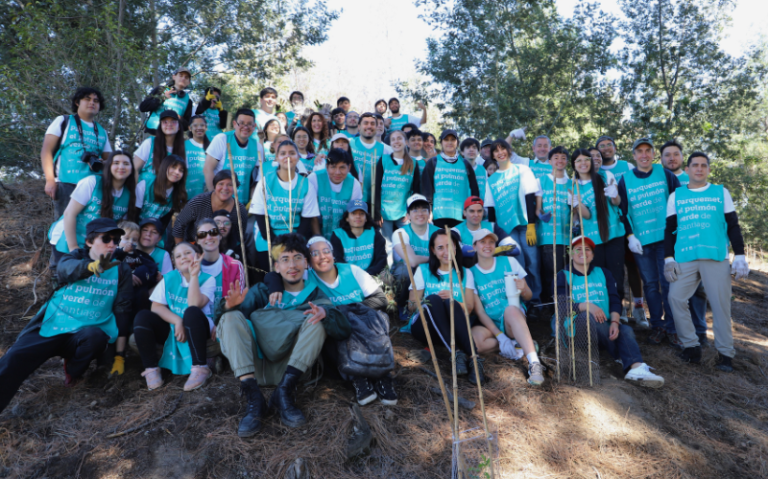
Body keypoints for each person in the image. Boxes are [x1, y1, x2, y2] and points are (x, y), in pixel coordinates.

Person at [217, 233, 349, 435]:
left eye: (297, 258)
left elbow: (342, 328)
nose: (292, 265)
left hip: (293, 367)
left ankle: (284, 392)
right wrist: (227, 307)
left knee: (317, 318)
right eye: (285, 260)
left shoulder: (315, 294)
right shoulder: (262, 291)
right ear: (276, 267)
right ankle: (254, 397)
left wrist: (326, 314)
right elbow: (228, 328)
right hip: (256, 366)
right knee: (231, 318)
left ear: (306, 263)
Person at [0, 218, 132, 413]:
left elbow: (123, 309)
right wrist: (91, 267)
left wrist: (119, 356)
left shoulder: (121, 269)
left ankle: (72, 372)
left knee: (95, 338)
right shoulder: (74, 258)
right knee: (13, 359)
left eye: (116, 240)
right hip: (53, 325)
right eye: (106, 239)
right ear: (89, 242)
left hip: (85, 334)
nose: (112, 244)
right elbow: (66, 269)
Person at [266, 236, 396, 406]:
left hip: (362, 322)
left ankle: (382, 376)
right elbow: (273, 275)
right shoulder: (306, 276)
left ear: (333, 255)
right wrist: (275, 285)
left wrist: (347, 310)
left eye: (326, 251)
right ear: (308, 262)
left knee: (376, 320)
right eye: (315, 253)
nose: (322, 256)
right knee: (331, 326)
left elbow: (380, 299)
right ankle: (357, 377)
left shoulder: (352, 271)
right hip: (338, 332)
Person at [665, 152, 749, 372]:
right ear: (689, 169)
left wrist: (739, 254)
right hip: (685, 256)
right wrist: (668, 258)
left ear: (708, 169)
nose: (699, 169)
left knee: (721, 306)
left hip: (715, 256)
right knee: (675, 297)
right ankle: (691, 347)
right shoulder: (676, 196)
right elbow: (670, 230)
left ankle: (725, 354)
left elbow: (732, 225)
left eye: (703, 165)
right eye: (695, 165)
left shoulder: (721, 193)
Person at [558, 235, 665, 388]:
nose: (583, 252)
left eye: (587, 249)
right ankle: (623, 353)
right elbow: (561, 308)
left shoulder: (604, 273)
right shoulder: (563, 276)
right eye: (578, 249)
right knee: (588, 317)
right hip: (575, 332)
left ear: (593, 254)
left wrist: (615, 321)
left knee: (625, 329)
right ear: (571, 253)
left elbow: (615, 301)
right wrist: (588, 306)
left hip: (604, 331)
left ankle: (636, 369)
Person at [618, 138, 683, 348]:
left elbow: (680, 202)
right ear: (634, 156)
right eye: (640, 151)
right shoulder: (625, 179)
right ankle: (657, 326)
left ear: (653, 154)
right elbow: (622, 211)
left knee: (669, 283)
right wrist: (630, 236)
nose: (644, 155)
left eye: (648, 150)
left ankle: (673, 328)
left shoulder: (666, 174)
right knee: (651, 286)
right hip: (641, 243)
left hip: (667, 240)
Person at [134, 242, 216, 391]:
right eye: (178, 256)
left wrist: (194, 276)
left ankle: (200, 368)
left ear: (197, 256)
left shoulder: (208, 279)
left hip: (198, 329)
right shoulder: (169, 278)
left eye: (187, 253)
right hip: (175, 328)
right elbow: (156, 306)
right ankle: (152, 370)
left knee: (190, 312)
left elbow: (194, 304)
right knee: (143, 317)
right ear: (174, 262)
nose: (183, 257)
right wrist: (177, 320)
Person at [469, 228, 545, 386]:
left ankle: (534, 364)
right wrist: (500, 337)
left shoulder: (509, 262)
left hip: (512, 318)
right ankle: (519, 346)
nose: (487, 245)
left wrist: (523, 288)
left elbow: (529, 296)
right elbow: (480, 311)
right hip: (491, 323)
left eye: (491, 242)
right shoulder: (470, 273)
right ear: (475, 246)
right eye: (482, 242)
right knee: (474, 342)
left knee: (510, 309)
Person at [408, 229, 483, 384]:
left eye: (449, 246)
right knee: (435, 300)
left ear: (456, 247)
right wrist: (430, 303)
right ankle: (455, 353)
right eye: (440, 247)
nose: (446, 251)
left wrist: (452, 298)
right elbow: (411, 306)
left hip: (453, 328)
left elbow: (469, 309)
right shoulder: (423, 270)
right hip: (425, 328)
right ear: (433, 251)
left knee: (451, 302)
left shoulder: (465, 273)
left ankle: (475, 362)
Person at [48, 150, 137, 267]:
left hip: (95, 244)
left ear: (132, 168)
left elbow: (121, 228)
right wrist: (73, 248)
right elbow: (69, 214)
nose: (121, 167)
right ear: (108, 166)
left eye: (126, 163)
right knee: (68, 279)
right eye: (116, 163)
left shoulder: (129, 195)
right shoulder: (92, 182)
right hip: (68, 238)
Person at [660, 140, 708, 339]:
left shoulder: (693, 178)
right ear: (661, 159)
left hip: (695, 239)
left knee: (699, 288)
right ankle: (673, 327)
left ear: (682, 157)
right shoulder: (658, 178)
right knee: (671, 284)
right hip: (669, 240)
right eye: (667, 155)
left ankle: (699, 330)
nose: (671, 158)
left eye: (675, 154)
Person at [250, 140, 321, 277]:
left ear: (298, 157)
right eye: (283, 153)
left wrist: (292, 243)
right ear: (276, 158)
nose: (287, 157)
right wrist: (276, 244)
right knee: (272, 278)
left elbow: (306, 220)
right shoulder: (265, 182)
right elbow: (260, 216)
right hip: (268, 239)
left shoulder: (306, 184)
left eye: (292, 153)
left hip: (296, 237)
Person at [484, 139, 541, 308]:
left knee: (533, 262)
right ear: (492, 155)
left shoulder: (522, 170)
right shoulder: (492, 180)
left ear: (509, 151)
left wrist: (531, 224)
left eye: (503, 149)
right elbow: (491, 208)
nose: (500, 153)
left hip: (525, 224)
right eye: (496, 150)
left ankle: (536, 300)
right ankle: (523, 302)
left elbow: (530, 196)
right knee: (518, 264)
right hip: (506, 229)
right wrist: (494, 236)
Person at [596, 135, 646, 327]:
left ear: (615, 147)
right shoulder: (596, 171)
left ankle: (639, 309)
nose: (606, 148)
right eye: (602, 146)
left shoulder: (626, 166)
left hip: (630, 222)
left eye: (609, 144)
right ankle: (621, 307)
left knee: (633, 267)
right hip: (610, 227)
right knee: (613, 269)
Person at [569, 148, 626, 314]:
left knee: (617, 276)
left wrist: (614, 194)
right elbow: (586, 216)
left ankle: (618, 312)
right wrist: (576, 204)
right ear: (574, 165)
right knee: (600, 277)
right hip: (592, 239)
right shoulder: (573, 186)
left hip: (614, 234)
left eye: (586, 159)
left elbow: (616, 202)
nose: (583, 163)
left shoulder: (605, 176)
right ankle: (604, 312)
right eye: (578, 161)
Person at [41, 87, 113, 219]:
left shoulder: (102, 131)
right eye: (87, 99)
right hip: (66, 183)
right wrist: (50, 180)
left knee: (90, 229)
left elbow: (110, 160)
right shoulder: (64, 121)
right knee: (64, 226)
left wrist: (103, 162)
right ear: (77, 102)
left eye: (96, 101)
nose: (92, 103)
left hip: (94, 186)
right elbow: (46, 151)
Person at [109, 220, 159, 375]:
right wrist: (127, 274)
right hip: (119, 297)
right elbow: (108, 267)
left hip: (139, 296)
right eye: (126, 238)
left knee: (142, 274)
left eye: (134, 240)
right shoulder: (114, 255)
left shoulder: (141, 256)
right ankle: (117, 355)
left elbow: (152, 271)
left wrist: (141, 275)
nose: (130, 243)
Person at [173, 169, 248, 255]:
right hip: (194, 249)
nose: (225, 188)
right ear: (214, 186)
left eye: (230, 185)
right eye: (221, 184)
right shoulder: (199, 202)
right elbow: (178, 226)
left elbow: (239, 237)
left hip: (224, 253)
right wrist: (182, 251)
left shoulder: (240, 210)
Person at [391, 195, 441, 314]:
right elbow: (412, 261)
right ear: (407, 216)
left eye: (424, 209)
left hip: (432, 270)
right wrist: (436, 258)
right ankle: (403, 305)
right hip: (411, 272)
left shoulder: (439, 231)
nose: (420, 213)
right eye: (415, 210)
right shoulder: (401, 233)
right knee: (404, 270)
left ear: (429, 213)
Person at [421, 129, 479, 229]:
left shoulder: (465, 163)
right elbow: (427, 189)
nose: (449, 142)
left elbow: (474, 189)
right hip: (439, 214)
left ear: (457, 142)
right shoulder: (433, 162)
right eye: (446, 140)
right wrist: (428, 209)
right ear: (441, 143)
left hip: (461, 214)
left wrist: (474, 209)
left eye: (452, 139)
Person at [535, 147, 571, 306]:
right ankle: (554, 309)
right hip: (548, 236)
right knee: (552, 273)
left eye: (563, 158)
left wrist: (575, 223)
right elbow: (538, 208)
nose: (560, 161)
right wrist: (541, 215)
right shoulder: (541, 181)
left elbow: (575, 209)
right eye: (556, 158)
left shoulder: (572, 183)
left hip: (568, 236)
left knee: (568, 273)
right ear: (550, 161)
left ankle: (568, 306)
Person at [374, 130, 421, 244]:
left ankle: (407, 263)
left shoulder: (413, 163)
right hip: (384, 212)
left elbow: (416, 190)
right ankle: (389, 263)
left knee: (407, 243)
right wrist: (376, 212)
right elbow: (376, 187)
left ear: (406, 142)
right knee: (387, 245)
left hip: (403, 212)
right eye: (393, 139)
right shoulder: (384, 160)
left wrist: (410, 212)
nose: (396, 141)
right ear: (390, 143)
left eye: (399, 138)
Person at [195, 218, 246, 323]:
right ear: (197, 240)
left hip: (226, 320)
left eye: (213, 232)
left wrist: (219, 321)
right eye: (202, 234)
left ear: (220, 236)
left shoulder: (235, 265)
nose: (208, 237)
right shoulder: (190, 266)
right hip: (198, 322)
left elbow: (236, 303)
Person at [204, 108, 261, 203]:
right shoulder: (221, 139)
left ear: (254, 126)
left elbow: (256, 177)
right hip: (220, 197)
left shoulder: (257, 146)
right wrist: (214, 197)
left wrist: (253, 201)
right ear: (234, 124)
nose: (245, 127)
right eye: (241, 123)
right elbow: (207, 169)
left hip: (243, 200)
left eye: (249, 124)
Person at [309, 148, 362, 240]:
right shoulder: (314, 178)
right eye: (333, 167)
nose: (337, 172)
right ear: (326, 167)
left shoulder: (354, 183)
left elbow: (357, 209)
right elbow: (310, 213)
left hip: (343, 233)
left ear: (349, 168)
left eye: (342, 167)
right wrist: (318, 239)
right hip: (315, 232)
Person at [331, 200, 387, 276]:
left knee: (387, 277)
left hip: (371, 276)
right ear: (347, 218)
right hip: (347, 276)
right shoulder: (338, 235)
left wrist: (367, 275)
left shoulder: (374, 233)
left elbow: (381, 260)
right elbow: (338, 261)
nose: (358, 216)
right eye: (353, 213)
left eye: (362, 213)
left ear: (366, 218)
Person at [137, 155, 188, 235]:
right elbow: (133, 214)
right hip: (136, 230)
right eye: (173, 167)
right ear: (164, 167)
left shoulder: (178, 193)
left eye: (181, 170)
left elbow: (165, 222)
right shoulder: (145, 184)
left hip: (156, 234)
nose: (177, 172)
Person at [350, 113, 393, 206]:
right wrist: (322, 157)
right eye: (365, 123)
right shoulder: (349, 143)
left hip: (373, 202)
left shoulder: (387, 150)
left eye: (373, 124)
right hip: (350, 199)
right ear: (358, 127)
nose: (369, 126)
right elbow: (331, 159)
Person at [134, 110, 186, 182]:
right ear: (160, 126)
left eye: (173, 121)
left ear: (179, 127)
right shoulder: (150, 143)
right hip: (143, 191)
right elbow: (134, 169)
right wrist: (134, 192)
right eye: (165, 122)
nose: (169, 124)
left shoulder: (184, 148)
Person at [139, 67, 193, 135]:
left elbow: (186, 126)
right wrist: (161, 98)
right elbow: (143, 107)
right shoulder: (160, 90)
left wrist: (178, 118)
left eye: (186, 77)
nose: (183, 78)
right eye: (181, 75)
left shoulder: (188, 101)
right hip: (153, 133)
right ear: (174, 77)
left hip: (172, 138)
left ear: (188, 82)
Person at [185, 115, 210, 198]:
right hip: (185, 195)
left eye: (202, 125)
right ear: (189, 128)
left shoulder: (212, 147)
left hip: (205, 196)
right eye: (195, 125)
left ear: (206, 127)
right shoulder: (183, 145)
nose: (199, 128)